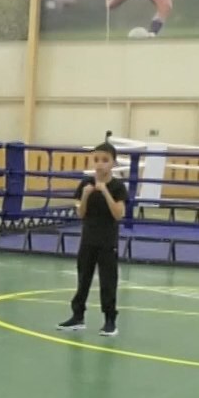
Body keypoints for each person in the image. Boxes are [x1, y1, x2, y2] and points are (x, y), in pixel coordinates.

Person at [57, 144, 127, 336]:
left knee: (108, 282)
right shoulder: (85, 184)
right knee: (83, 279)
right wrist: (86, 195)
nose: (100, 164)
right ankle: (77, 316)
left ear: (113, 163)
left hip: (107, 242)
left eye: (105, 160)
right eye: (96, 160)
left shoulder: (117, 187)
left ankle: (110, 321)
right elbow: (81, 213)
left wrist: (105, 192)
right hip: (88, 239)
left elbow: (118, 214)